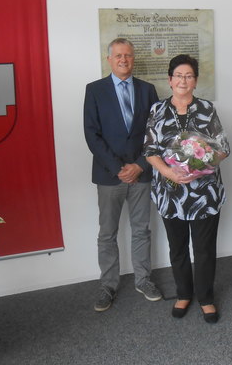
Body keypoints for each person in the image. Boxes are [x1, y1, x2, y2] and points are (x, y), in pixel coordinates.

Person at [143, 54, 229, 324]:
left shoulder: (207, 108)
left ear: (195, 81)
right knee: (177, 247)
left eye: (188, 76)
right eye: (178, 75)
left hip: (203, 193)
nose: (183, 80)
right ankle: (183, 293)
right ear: (169, 80)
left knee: (204, 249)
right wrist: (169, 172)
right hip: (170, 193)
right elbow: (149, 150)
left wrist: (198, 166)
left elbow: (223, 148)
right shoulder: (157, 110)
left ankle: (205, 298)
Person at [83, 38, 162, 312]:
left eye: (128, 55)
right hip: (109, 176)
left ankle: (143, 279)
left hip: (141, 173)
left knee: (142, 230)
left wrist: (140, 165)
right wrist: (119, 168)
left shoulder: (148, 90)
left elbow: (155, 133)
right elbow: (91, 134)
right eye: (118, 56)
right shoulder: (94, 90)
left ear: (133, 58)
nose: (123, 60)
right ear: (109, 60)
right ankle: (108, 285)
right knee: (107, 233)